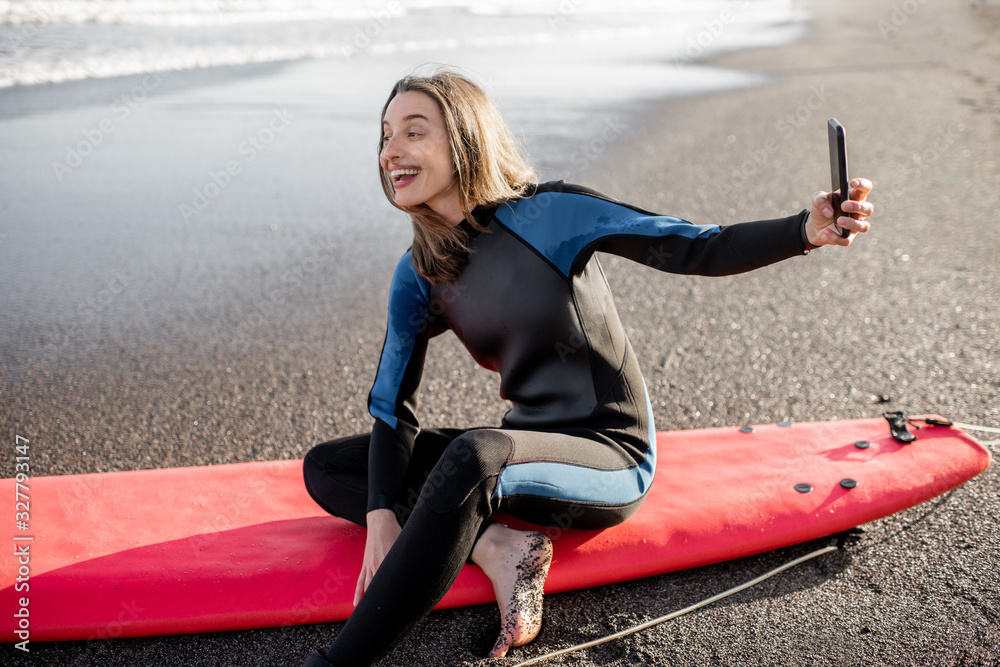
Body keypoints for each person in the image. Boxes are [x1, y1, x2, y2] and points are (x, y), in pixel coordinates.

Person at [301, 69, 874, 667]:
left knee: (473, 456)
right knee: (332, 466)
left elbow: (696, 246)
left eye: (412, 132)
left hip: (610, 453)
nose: (390, 150)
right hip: (528, 445)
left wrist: (805, 230)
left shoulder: (550, 215)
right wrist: (381, 517)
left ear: (465, 138)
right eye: (385, 135)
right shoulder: (419, 272)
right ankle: (497, 543)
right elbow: (393, 408)